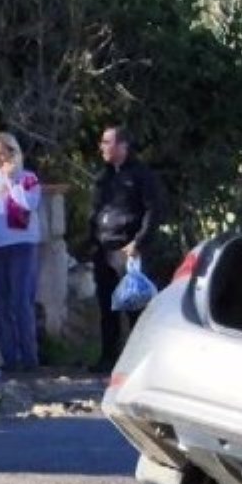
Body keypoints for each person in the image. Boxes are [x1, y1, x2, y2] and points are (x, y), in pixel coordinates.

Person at [87, 125, 163, 374]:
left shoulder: (141, 175)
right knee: (107, 305)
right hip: (104, 249)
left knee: (133, 306)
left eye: (107, 142)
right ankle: (109, 357)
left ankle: (139, 361)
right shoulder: (104, 176)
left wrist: (138, 242)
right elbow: (97, 209)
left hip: (129, 249)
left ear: (123, 146)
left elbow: (154, 211)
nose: (102, 147)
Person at [0, 132, 43, 373]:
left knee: (21, 302)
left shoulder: (28, 178)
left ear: (13, 153)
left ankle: (29, 357)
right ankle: (8, 357)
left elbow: (29, 205)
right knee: (0, 303)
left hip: (22, 245)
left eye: (2, 153)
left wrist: (12, 180)